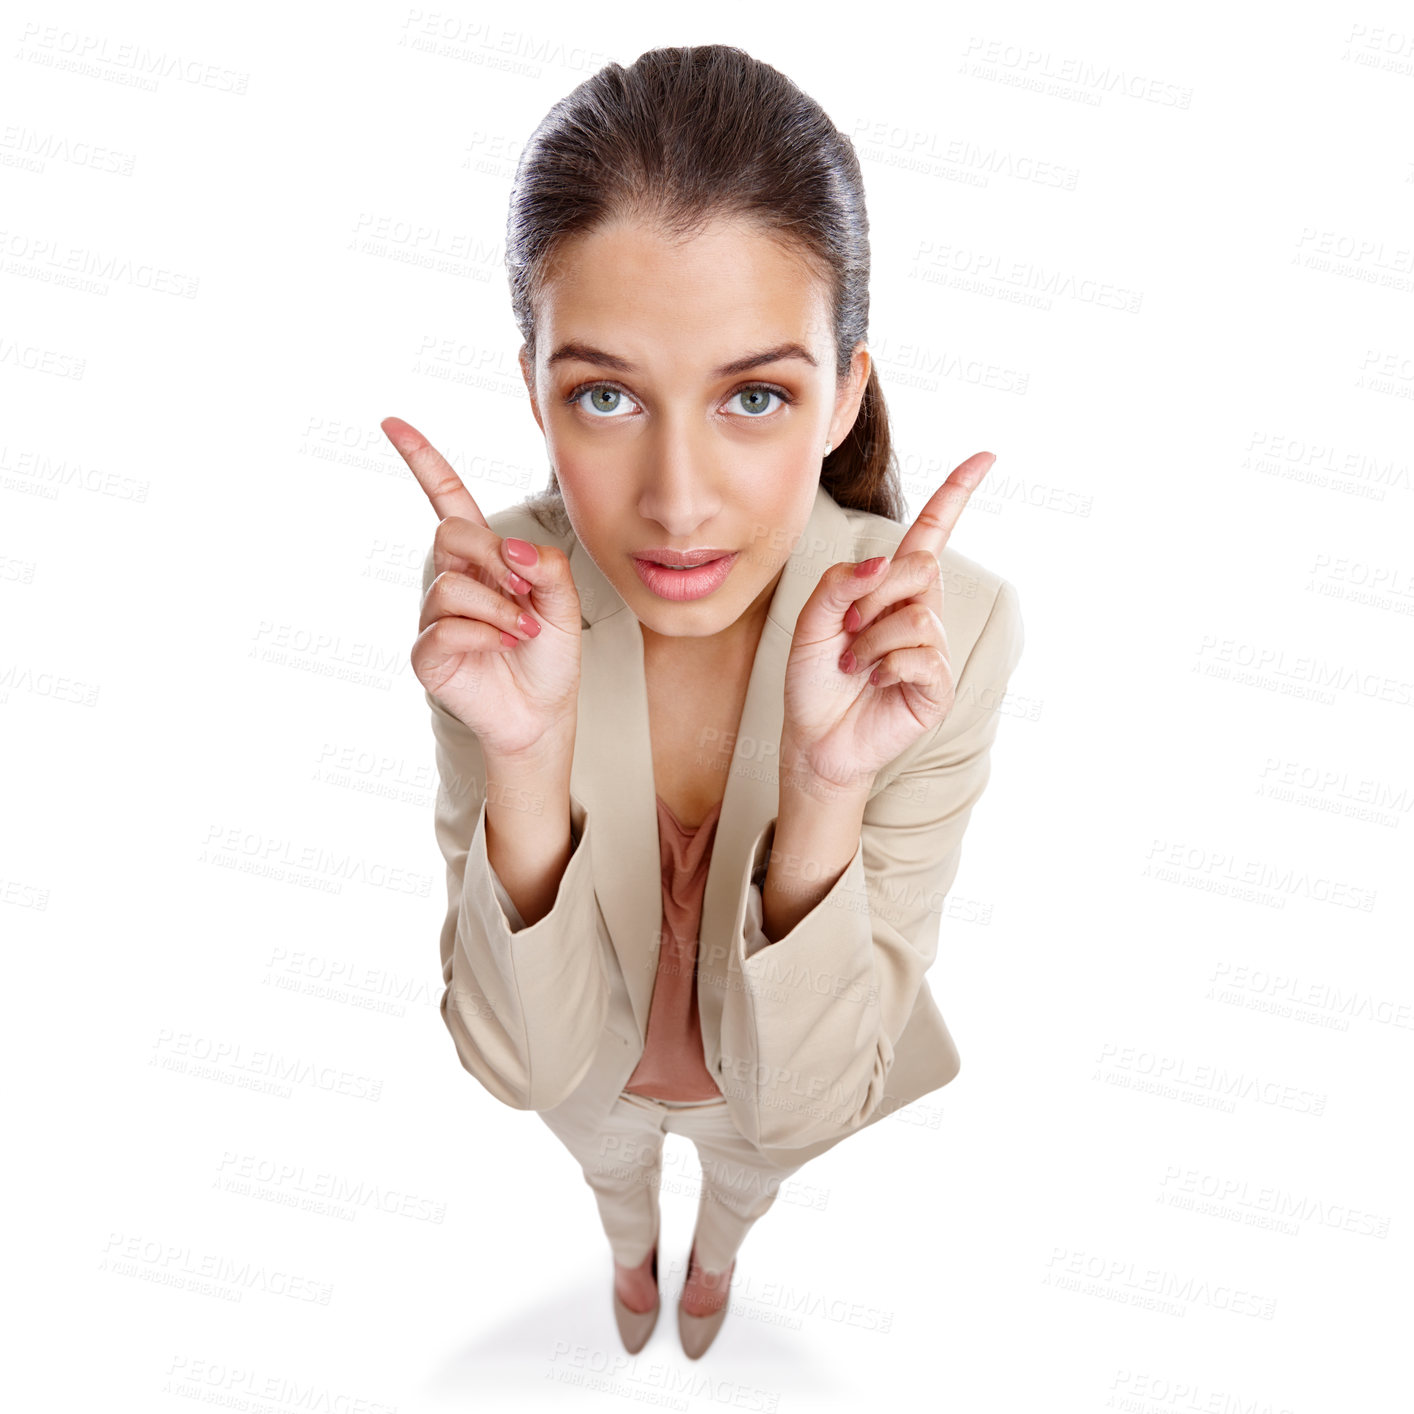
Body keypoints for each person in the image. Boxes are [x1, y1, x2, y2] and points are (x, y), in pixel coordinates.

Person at [383, 43, 1025, 1360]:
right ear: (534, 392)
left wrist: (827, 788)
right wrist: (520, 751)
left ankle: (715, 1255)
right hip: (590, 1053)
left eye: (754, 396)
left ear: (845, 391)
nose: (677, 500)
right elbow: (519, 1063)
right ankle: (630, 1247)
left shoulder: (943, 631)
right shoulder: (495, 595)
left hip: (777, 1071)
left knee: (749, 1172)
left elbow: (806, 1099)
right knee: (609, 1164)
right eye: (605, 395)